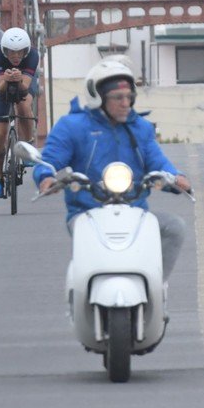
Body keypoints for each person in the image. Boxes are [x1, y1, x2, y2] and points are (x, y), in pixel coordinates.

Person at [33, 59, 191, 278]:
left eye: (129, 97)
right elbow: (49, 160)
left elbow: (157, 161)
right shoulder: (72, 126)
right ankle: (81, 294)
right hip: (86, 212)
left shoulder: (141, 128)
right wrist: (46, 178)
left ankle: (156, 284)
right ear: (98, 96)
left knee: (174, 227)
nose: (125, 103)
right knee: (84, 268)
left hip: (134, 211)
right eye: (118, 98)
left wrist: (175, 177)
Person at [0, 27, 40, 198]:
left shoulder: (32, 55)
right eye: (11, 53)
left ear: (25, 51)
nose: (15, 56)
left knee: (24, 106)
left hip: (23, 83)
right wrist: (7, 79)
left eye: (19, 52)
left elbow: (24, 88)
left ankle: (27, 145)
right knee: (0, 133)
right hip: (0, 87)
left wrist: (18, 79)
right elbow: (0, 88)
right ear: (4, 51)